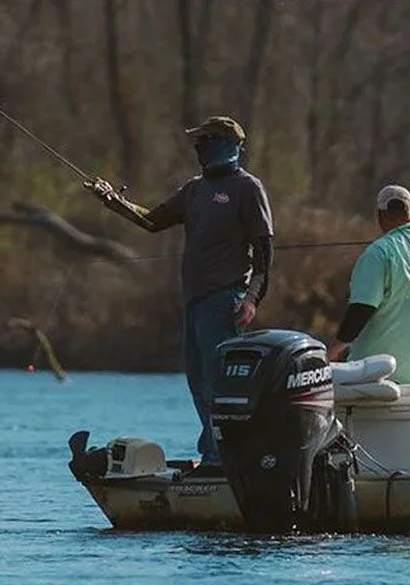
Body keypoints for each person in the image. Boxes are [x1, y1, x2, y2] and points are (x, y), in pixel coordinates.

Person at [85, 115, 273, 467]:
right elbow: (153, 220)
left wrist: (252, 297)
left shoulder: (248, 188)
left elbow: (264, 248)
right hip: (194, 300)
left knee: (219, 384)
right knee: (197, 381)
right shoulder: (194, 189)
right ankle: (213, 452)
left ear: (225, 144)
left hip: (226, 297)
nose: (198, 147)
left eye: (205, 140)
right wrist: (113, 201)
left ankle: (226, 455)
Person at [327, 185, 410, 385]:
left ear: (380, 216)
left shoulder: (377, 253)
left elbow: (361, 309)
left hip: (384, 372)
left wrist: (329, 354)